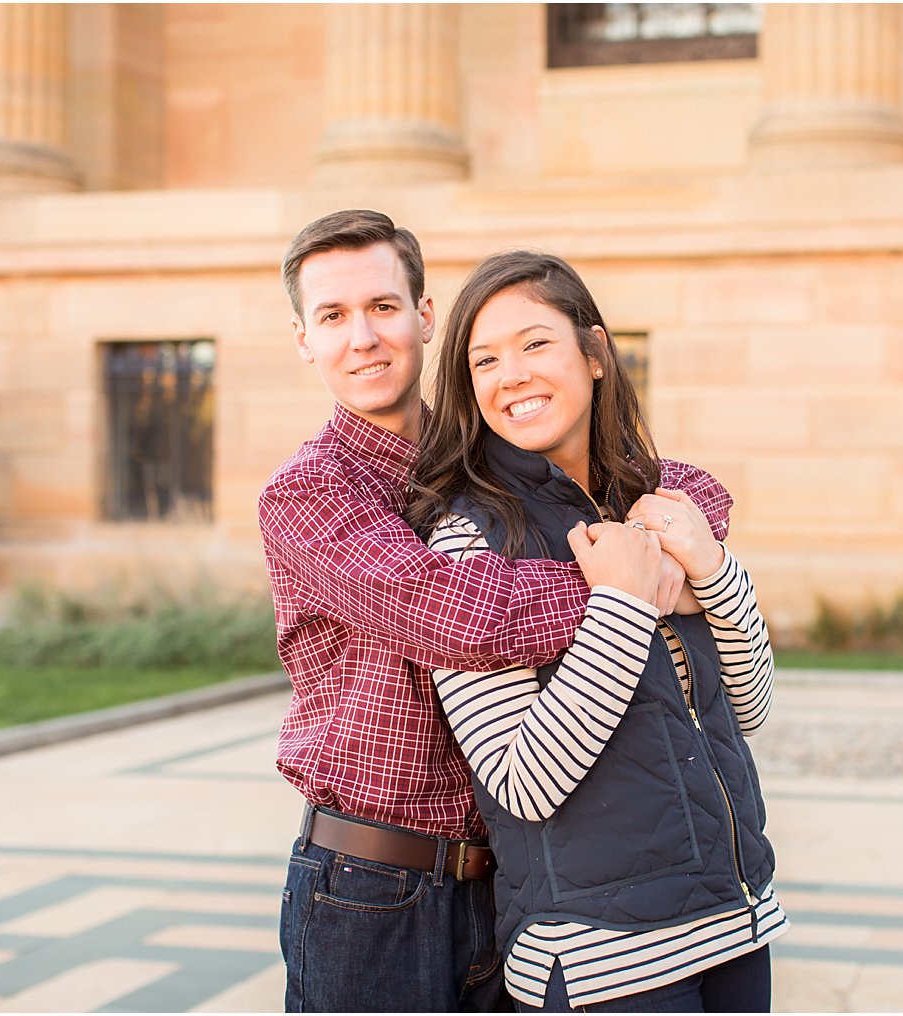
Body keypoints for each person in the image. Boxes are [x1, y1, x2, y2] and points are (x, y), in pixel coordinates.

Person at [258, 210, 739, 1012]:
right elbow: (458, 616)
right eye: (332, 317)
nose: (364, 338)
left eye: (382, 308)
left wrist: (692, 547)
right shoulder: (309, 492)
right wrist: (630, 583)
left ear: (423, 316)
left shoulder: (481, 459)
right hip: (373, 888)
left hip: (512, 883)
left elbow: (680, 486)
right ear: (304, 339)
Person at [407, 250, 788, 1012]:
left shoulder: (652, 506)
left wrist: (710, 568)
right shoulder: (467, 539)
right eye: (485, 359)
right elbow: (521, 781)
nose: (510, 374)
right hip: (602, 962)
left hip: (734, 925)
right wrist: (622, 602)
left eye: (535, 343)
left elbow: (750, 708)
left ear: (596, 353)